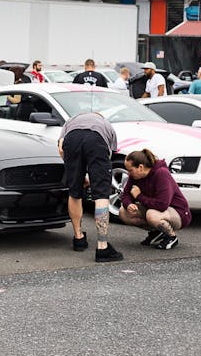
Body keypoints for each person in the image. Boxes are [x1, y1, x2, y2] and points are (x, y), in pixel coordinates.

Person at [57, 112, 124, 263]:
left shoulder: (71, 121)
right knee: (101, 194)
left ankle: (78, 238)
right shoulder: (106, 125)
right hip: (97, 140)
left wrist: (78, 175)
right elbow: (108, 155)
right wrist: (95, 178)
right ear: (99, 117)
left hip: (71, 140)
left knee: (74, 192)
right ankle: (102, 247)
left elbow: (61, 148)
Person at [118, 149, 191, 250]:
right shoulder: (135, 176)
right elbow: (125, 194)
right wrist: (128, 204)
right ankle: (157, 232)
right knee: (123, 212)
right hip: (155, 208)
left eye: (130, 170)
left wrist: (139, 196)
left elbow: (162, 205)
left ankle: (171, 237)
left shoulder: (161, 173)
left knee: (151, 214)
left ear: (140, 167)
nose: (129, 174)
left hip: (179, 213)